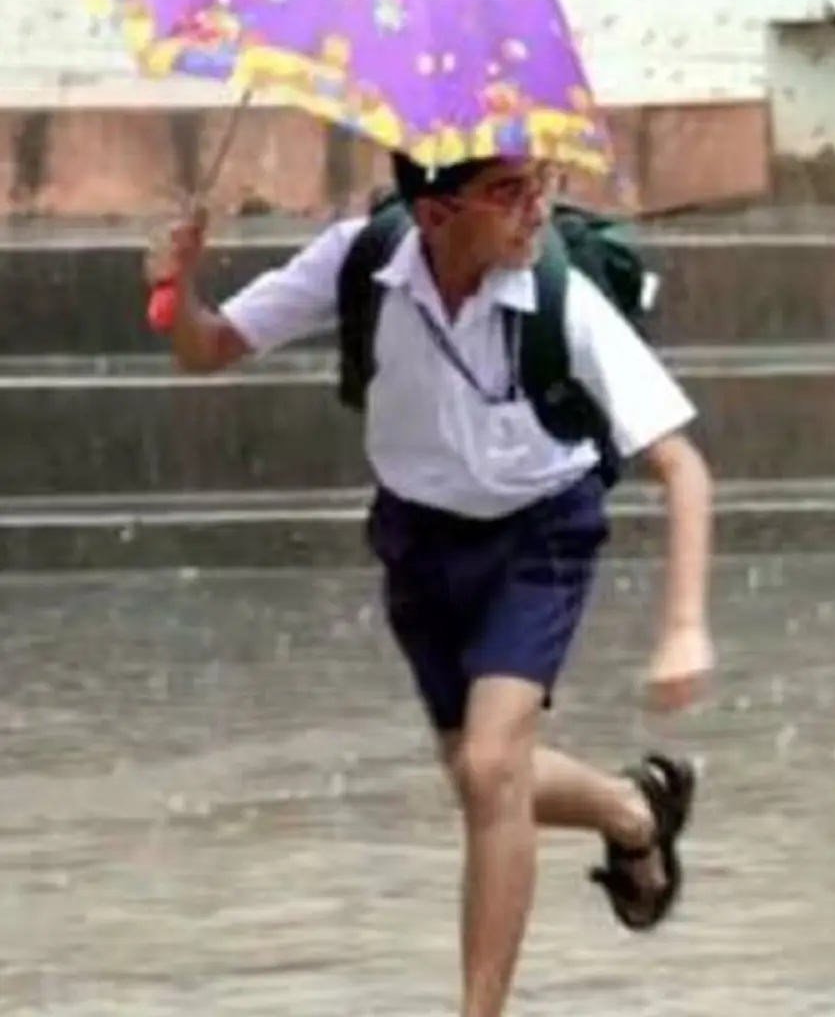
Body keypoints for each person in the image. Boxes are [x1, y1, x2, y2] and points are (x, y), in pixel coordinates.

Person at [145, 153, 718, 1017]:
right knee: (478, 773)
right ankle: (633, 811)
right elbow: (207, 348)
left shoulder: (561, 297)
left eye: (542, 185)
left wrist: (683, 625)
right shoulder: (360, 258)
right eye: (509, 193)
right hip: (419, 539)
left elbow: (684, 468)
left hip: (540, 532)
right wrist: (178, 289)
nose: (537, 210)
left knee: (492, 766)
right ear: (436, 213)